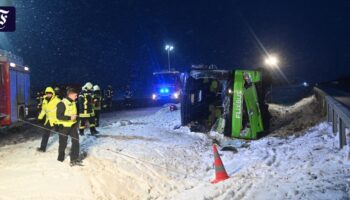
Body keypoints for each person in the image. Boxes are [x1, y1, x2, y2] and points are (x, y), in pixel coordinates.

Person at [56, 87, 82, 166]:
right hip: (64, 127)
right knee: (63, 143)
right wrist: (69, 118)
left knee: (76, 141)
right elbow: (59, 116)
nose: (76, 97)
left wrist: (77, 120)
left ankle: (74, 159)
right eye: (75, 95)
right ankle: (60, 158)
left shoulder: (73, 102)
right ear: (70, 94)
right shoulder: (62, 103)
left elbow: (74, 114)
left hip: (72, 126)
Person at [37, 87, 61, 152]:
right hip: (48, 121)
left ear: (52, 93)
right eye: (47, 93)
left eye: (50, 93)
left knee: (61, 133)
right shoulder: (44, 101)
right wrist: (40, 117)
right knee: (45, 134)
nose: (48, 95)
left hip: (56, 121)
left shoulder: (57, 100)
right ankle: (42, 148)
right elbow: (43, 110)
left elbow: (62, 110)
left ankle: (63, 146)